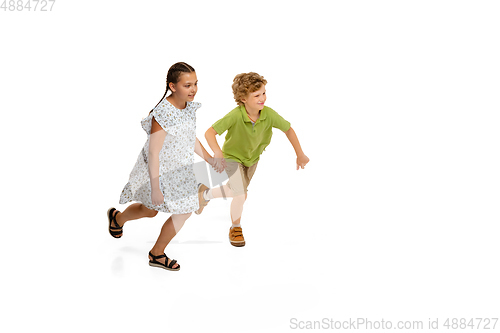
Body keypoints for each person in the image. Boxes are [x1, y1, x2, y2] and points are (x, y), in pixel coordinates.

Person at [107, 62, 222, 271]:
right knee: (150, 210)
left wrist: (209, 158)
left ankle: (156, 253)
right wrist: (155, 187)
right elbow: (153, 152)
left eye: (195, 83)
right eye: (187, 85)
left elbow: (190, 136)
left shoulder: (188, 107)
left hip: (179, 169)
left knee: (185, 210)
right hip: (158, 170)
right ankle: (118, 218)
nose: (193, 89)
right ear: (173, 86)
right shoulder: (163, 114)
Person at [197, 72, 309, 246]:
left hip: (252, 159)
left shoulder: (269, 114)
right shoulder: (235, 115)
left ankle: (204, 194)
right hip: (232, 158)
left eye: (263, 93)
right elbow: (209, 132)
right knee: (240, 195)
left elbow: (288, 129)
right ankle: (235, 227)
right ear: (243, 98)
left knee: (236, 191)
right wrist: (217, 152)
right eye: (256, 95)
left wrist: (299, 154)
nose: (262, 98)